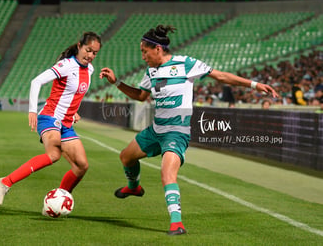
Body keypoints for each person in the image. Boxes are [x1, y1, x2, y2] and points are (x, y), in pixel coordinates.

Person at [99, 25, 278, 236]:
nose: (143, 56)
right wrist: (117, 82)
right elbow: (140, 96)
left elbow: (220, 77)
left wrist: (255, 85)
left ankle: (177, 224)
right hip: (156, 130)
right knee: (126, 158)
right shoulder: (151, 71)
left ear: (157, 49)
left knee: (167, 174)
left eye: (144, 51)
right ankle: (134, 187)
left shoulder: (186, 64)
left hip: (177, 133)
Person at [0, 32, 102, 207]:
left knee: (82, 166)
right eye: (88, 50)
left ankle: (59, 202)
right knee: (54, 154)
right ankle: (4, 183)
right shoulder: (66, 65)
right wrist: (32, 111)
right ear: (79, 46)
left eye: (94, 53)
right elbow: (36, 82)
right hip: (49, 116)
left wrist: (73, 111)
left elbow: (74, 94)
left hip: (66, 123)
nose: (90, 56)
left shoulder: (90, 70)